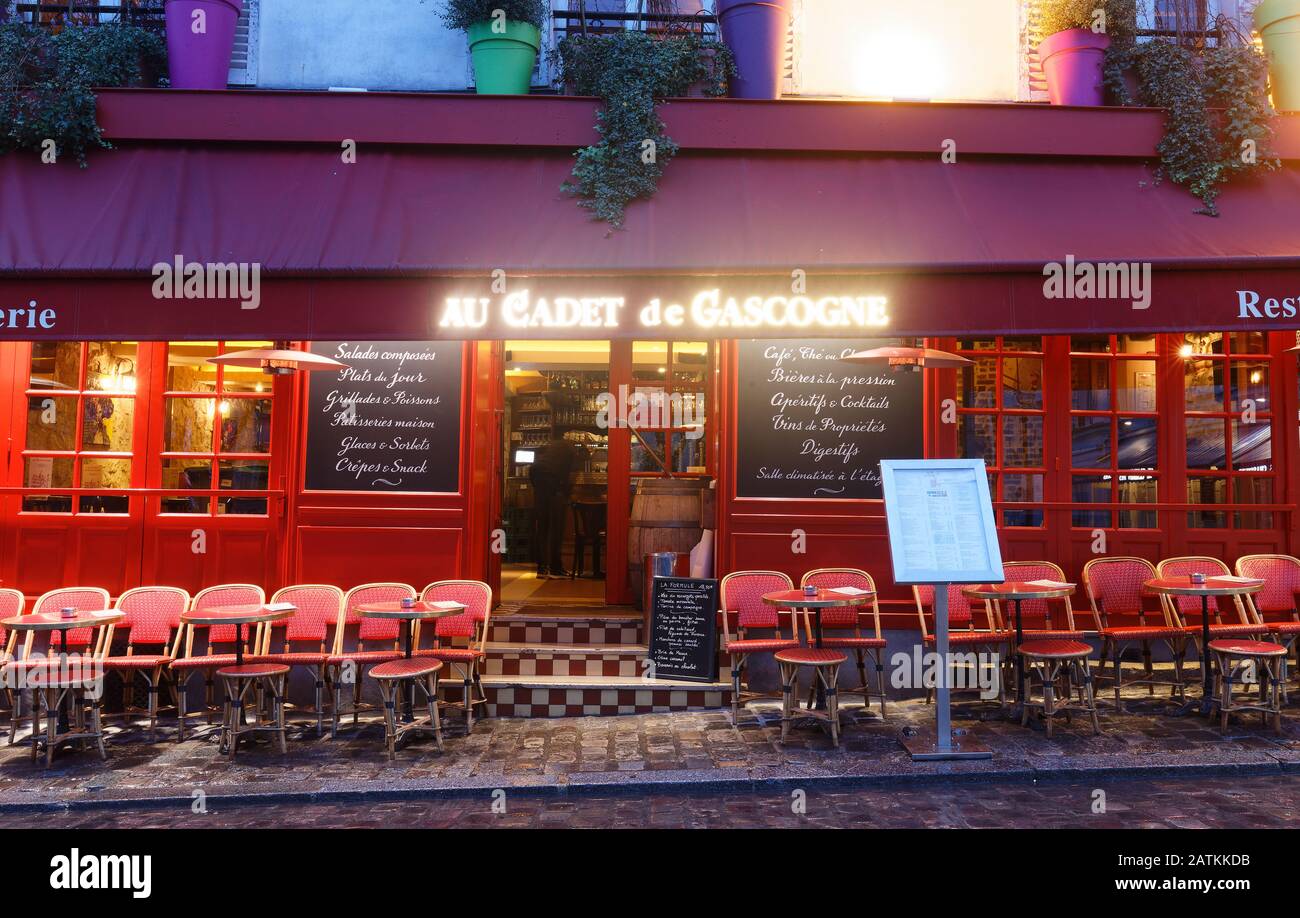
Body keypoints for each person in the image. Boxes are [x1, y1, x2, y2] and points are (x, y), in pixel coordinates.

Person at [529, 426, 579, 579]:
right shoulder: (571, 451)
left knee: (542, 527)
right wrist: (566, 493)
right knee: (556, 528)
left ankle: (542, 568)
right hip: (553, 486)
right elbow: (572, 475)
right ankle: (555, 567)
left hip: (538, 479)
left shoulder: (550, 446)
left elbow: (535, 468)